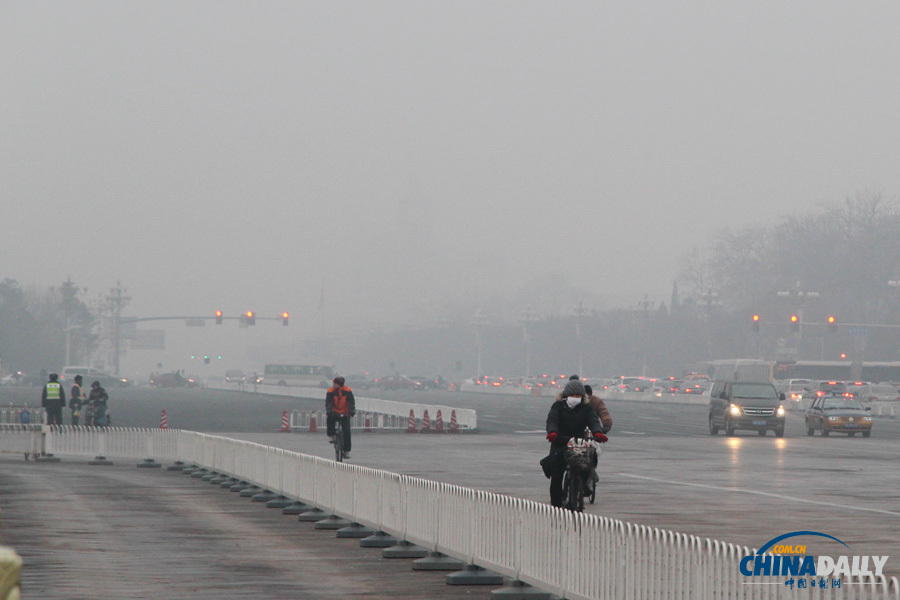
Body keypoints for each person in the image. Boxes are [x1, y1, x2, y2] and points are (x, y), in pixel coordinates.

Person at [544, 377, 607, 508]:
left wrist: (598, 432)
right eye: (573, 395)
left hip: (579, 442)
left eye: (578, 395)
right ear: (566, 395)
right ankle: (556, 505)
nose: (575, 397)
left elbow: (593, 420)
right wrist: (552, 432)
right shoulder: (558, 406)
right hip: (560, 441)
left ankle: (583, 485)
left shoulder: (586, 407)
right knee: (556, 473)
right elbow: (552, 420)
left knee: (586, 463)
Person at [325, 376, 356, 459]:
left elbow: (351, 402)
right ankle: (331, 435)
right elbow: (328, 402)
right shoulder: (331, 391)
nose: (333, 385)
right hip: (334, 412)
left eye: (335, 384)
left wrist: (352, 411)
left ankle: (346, 451)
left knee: (347, 431)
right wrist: (329, 411)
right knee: (330, 420)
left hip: (345, 413)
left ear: (339, 384)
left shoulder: (347, 391)